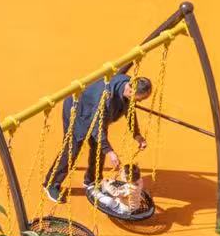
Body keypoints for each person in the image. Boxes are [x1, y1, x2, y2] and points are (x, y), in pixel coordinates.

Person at [43, 72, 153, 202]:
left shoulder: (129, 86)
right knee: (72, 148)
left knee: (99, 148)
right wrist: (110, 152)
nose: (139, 101)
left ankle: (92, 180)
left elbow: (130, 111)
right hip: (77, 111)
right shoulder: (105, 99)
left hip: (97, 113)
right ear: (130, 90)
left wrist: (137, 134)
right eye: (139, 99)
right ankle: (51, 184)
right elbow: (97, 130)